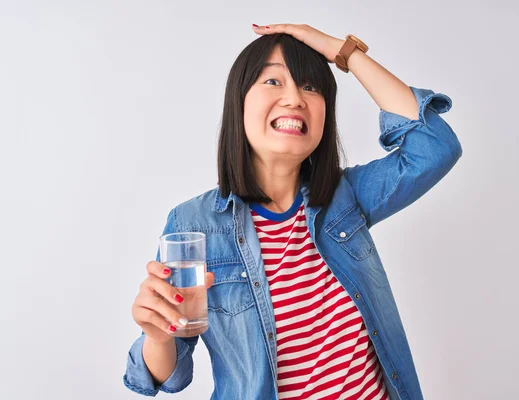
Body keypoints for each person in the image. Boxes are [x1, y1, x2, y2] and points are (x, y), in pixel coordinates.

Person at [123, 23, 462, 400]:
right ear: (239, 101)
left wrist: (344, 53)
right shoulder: (194, 225)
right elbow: (166, 375)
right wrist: (157, 334)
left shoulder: (345, 197)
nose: (295, 98)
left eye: (310, 86)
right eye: (273, 82)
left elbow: (435, 148)